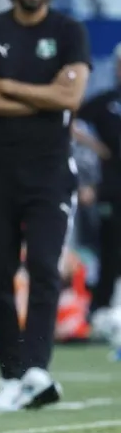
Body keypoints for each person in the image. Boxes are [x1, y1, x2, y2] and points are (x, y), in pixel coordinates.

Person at [0, 0, 91, 411]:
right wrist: (43, 97)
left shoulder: (69, 32)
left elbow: (70, 97)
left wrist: (8, 86)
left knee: (43, 266)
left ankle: (36, 370)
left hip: (49, 173)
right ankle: (10, 374)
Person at [77, 43, 121, 328]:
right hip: (112, 188)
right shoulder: (105, 102)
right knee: (110, 251)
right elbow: (69, 121)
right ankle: (100, 311)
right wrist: (95, 146)